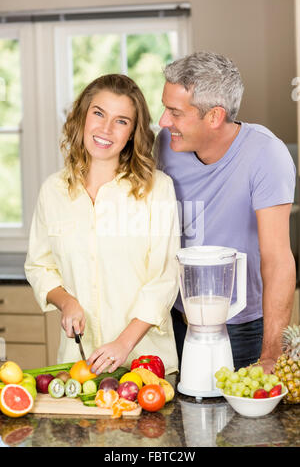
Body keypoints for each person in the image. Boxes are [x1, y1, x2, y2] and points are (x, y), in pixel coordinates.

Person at [25, 74, 180, 376]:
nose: (106, 129)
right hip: (78, 364)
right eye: (99, 113)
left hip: (145, 365)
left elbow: (166, 277)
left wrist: (123, 345)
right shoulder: (52, 191)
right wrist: (66, 301)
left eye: (121, 121)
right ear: (82, 116)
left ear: (133, 132)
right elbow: (39, 266)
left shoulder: (157, 189)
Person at [155, 51, 296, 373]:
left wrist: (272, 354)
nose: (163, 121)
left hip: (240, 326)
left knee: (242, 421)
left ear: (215, 116)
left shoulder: (266, 154)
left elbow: (277, 258)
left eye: (175, 113)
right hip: (175, 318)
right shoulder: (164, 143)